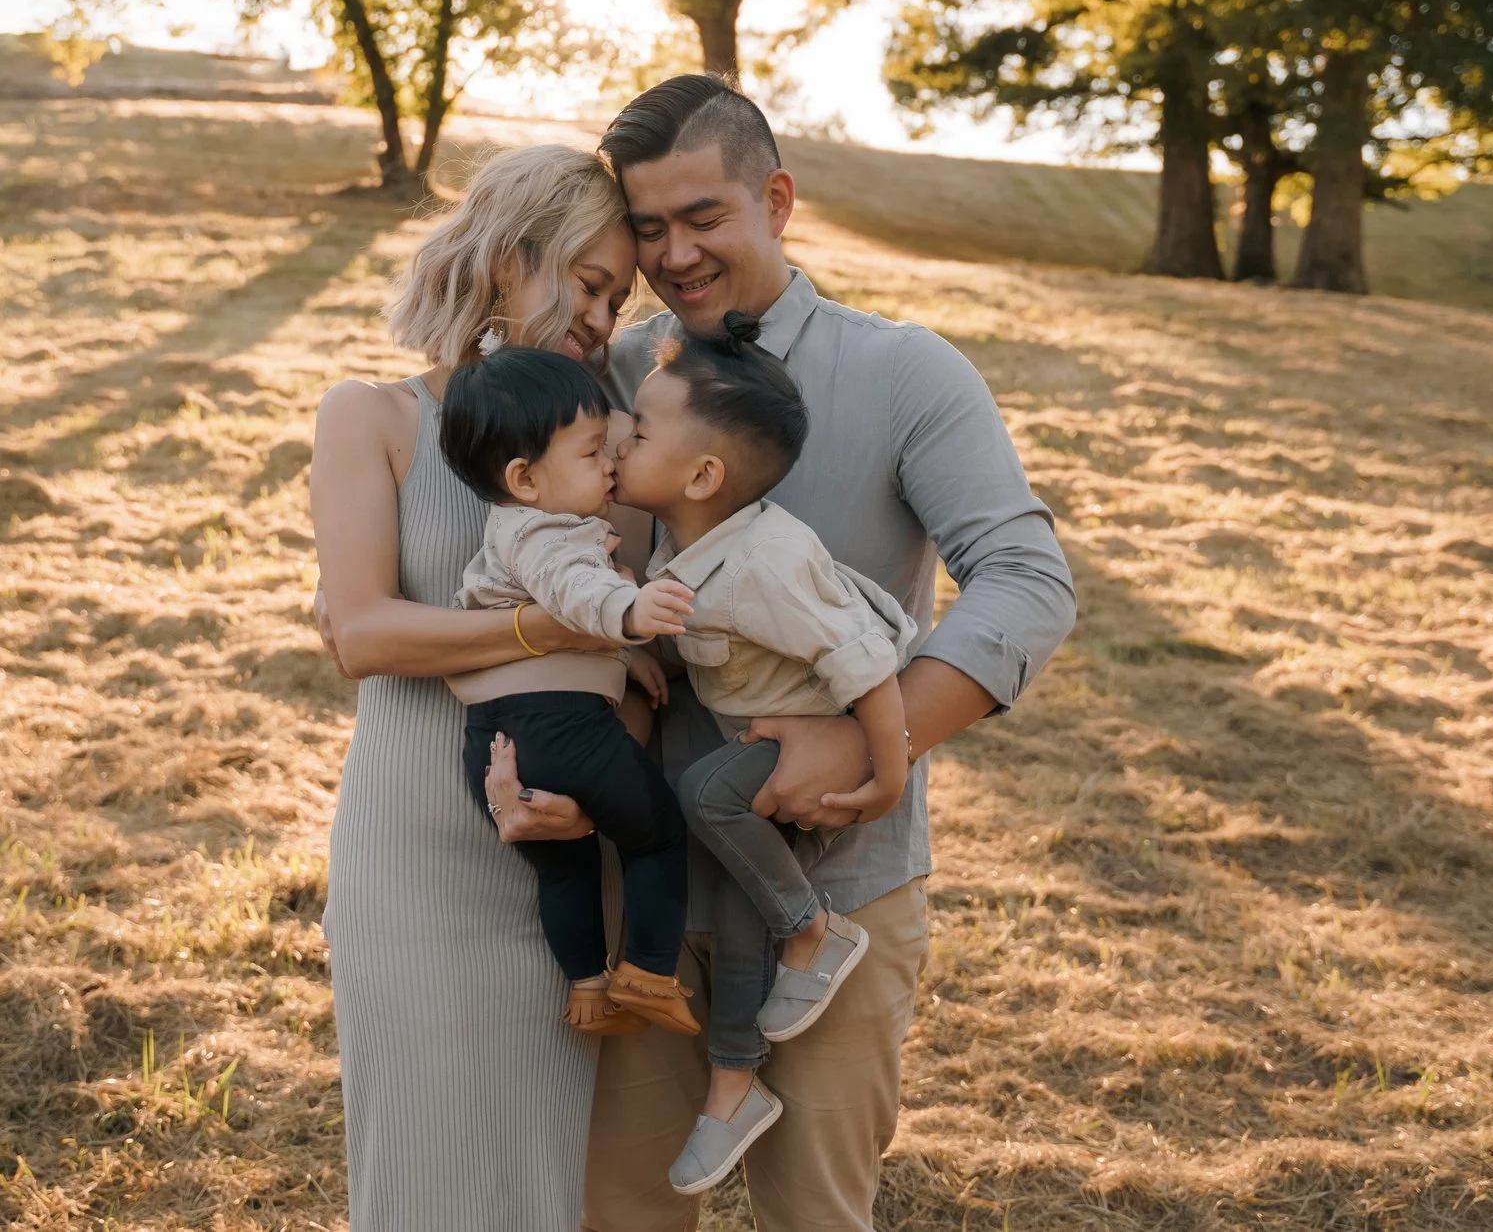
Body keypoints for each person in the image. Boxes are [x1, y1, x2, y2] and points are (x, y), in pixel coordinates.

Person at [483, 76, 1078, 1232]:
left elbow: (1025, 579)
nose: (673, 253)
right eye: (647, 226)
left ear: (778, 198)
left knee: (814, 1216)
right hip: (635, 889)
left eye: (703, 216)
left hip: (837, 887)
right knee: (619, 1216)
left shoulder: (908, 372)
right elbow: (532, 571)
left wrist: (872, 732)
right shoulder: (604, 378)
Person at [311, 144, 653, 1232]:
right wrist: (536, 626)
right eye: (590, 283)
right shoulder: (371, 417)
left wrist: (599, 783)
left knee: (535, 1183)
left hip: (553, 845)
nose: (604, 317)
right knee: (417, 1175)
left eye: (618, 297)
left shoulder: (601, 450)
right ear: (510, 261)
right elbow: (362, 631)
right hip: (411, 851)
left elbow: (632, 665)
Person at [604, 314, 916, 1195]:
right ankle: (734, 1088)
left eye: (640, 431)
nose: (620, 442)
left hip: (807, 749)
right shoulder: (688, 541)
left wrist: (885, 768)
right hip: (761, 743)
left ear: (703, 473)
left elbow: (861, 658)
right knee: (739, 912)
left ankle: (815, 928)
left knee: (707, 797)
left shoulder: (766, 562)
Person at [440, 345, 698, 1037]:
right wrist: (631, 610)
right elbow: (576, 591)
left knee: (565, 867)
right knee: (657, 834)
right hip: (562, 725)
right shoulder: (547, 530)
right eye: (591, 454)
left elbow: (572, 629)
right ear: (524, 477)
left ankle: (587, 988)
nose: (611, 464)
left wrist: (627, 656)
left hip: (496, 738)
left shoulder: (516, 529)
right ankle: (646, 968)